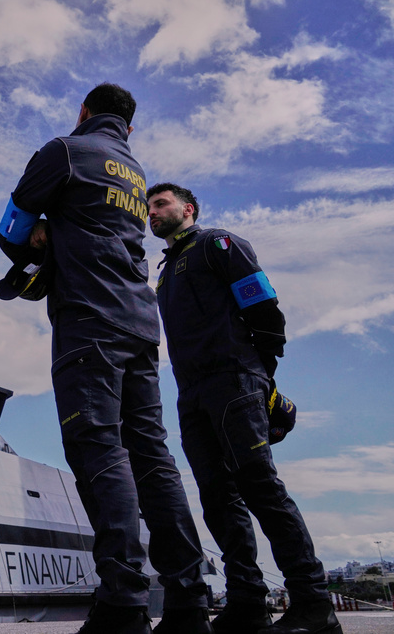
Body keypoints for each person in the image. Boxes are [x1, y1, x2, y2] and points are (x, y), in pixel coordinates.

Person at [0, 84, 211, 634]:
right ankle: (187, 600)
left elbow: (11, 225)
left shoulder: (66, 151)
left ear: (84, 113)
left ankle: (123, 601)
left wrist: (33, 242)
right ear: (129, 128)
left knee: (97, 447)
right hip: (141, 325)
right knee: (151, 456)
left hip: (89, 321)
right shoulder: (135, 175)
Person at [148, 183, 341, 634]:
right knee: (217, 499)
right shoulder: (165, 270)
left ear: (187, 208)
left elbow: (263, 306)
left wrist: (258, 375)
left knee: (260, 489)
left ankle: (315, 605)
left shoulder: (218, 243)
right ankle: (249, 603)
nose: (151, 212)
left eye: (160, 204)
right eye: (148, 206)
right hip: (191, 393)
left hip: (234, 379)